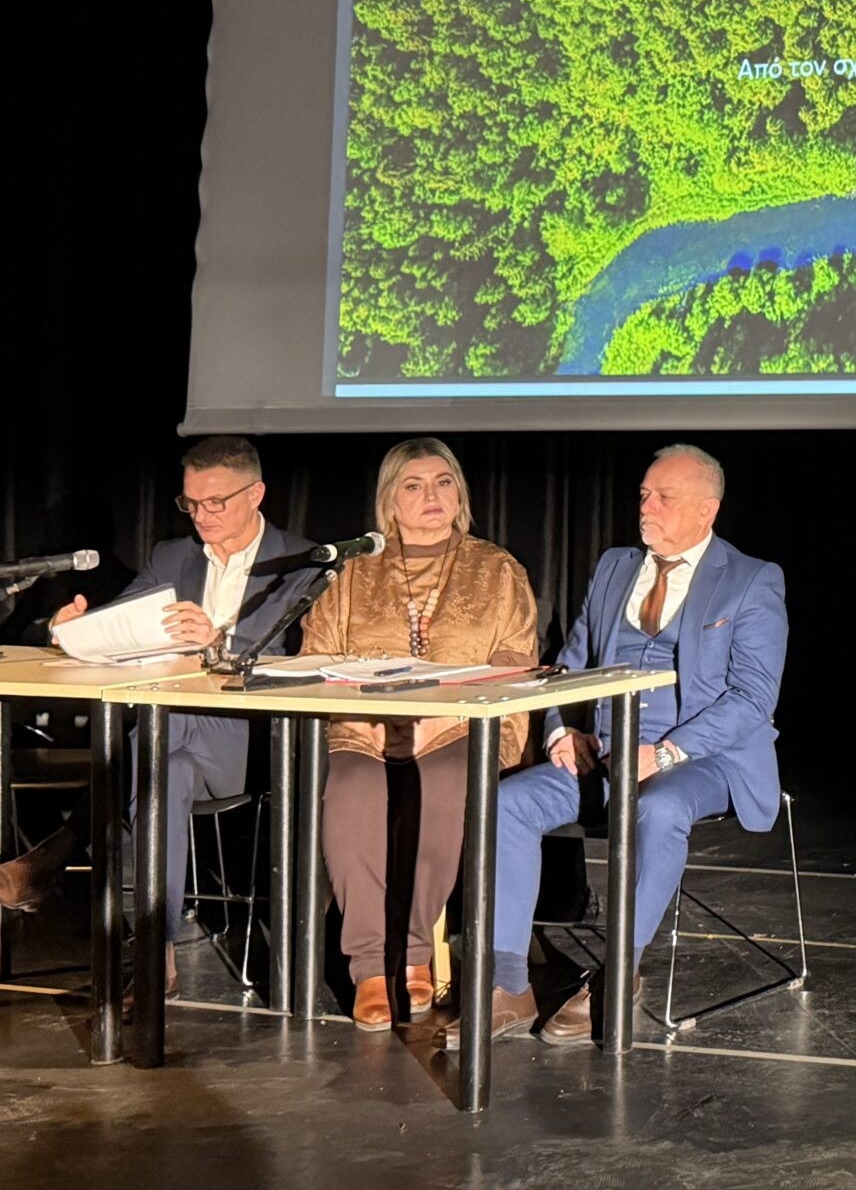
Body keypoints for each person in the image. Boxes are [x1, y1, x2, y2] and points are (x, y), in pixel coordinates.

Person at [459, 442, 785, 1047]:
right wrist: (559, 728)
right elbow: (568, 664)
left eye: (665, 497)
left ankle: (618, 975)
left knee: (658, 807)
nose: (647, 507)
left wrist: (662, 754)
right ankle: (507, 985)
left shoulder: (750, 580)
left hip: (703, 761)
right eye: (643, 495)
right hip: (608, 752)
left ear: (707, 510)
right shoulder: (615, 567)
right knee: (505, 803)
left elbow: (751, 699)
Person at [0, 437, 327, 1002]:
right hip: (172, 740)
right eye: (190, 504)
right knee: (163, 772)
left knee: (153, 729)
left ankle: (56, 852)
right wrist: (72, 625)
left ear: (256, 495)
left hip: (251, 743)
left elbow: (313, 656)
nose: (201, 516)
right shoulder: (173, 557)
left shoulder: (304, 561)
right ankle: (157, 956)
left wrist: (221, 643)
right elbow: (122, 625)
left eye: (215, 503)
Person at [301, 438, 535, 1030]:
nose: (431, 497)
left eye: (443, 483)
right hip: (364, 727)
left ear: (460, 494)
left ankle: (413, 951)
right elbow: (316, 658)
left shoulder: (498, 569)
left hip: (464, 727)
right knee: (353, 791)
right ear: (390, 502)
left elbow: (517, 663)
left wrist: (452, 711)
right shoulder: (352, 570)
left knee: (440, 785)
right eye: (413, 485)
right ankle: (371, 968)